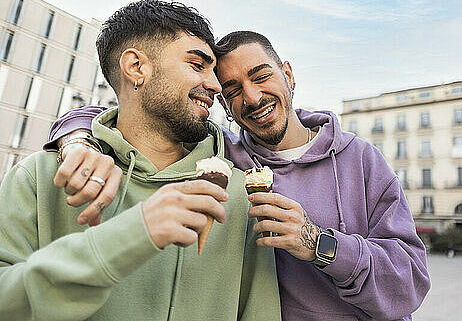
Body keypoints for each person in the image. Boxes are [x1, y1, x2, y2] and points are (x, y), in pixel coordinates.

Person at [45, 31, 430, 320]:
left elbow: (410, 281)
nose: (253, 97)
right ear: (224, 105)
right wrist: (79, 141)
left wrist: (318, 243)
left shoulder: (362, 160)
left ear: (288, 75)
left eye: (261, 76)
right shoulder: (221, 155)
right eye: (232, 90)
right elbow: (119, 115)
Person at [0, 0, 280, 321]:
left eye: (213, 71)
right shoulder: (42, 177)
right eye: (197, 65)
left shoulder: (242, 195)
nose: (216, 86)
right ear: (136, 67)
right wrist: (133, 233)